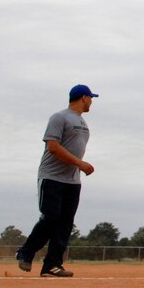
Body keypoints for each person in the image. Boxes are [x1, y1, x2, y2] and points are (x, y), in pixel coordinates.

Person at [15, 84, 97, 277]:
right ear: (84, 98)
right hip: (51, 177)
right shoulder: (59, 117)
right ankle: (25, 252)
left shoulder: (84, 123)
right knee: (50, 218)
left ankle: (52, 265)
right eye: (91, 98)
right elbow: (53, 146)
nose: (92, 101)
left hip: (72, 181)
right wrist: (80, 163)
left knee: (65, 223)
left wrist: (78, 167)